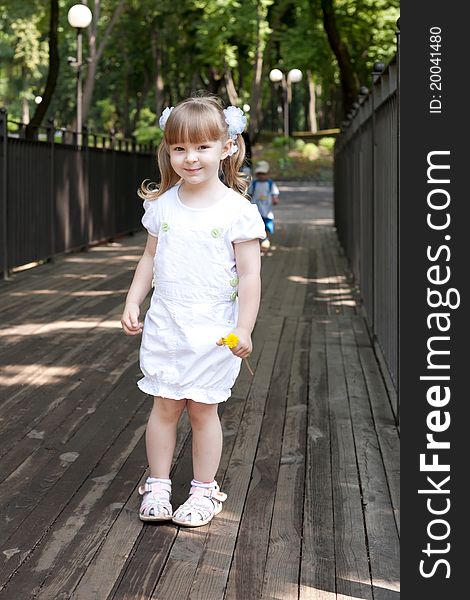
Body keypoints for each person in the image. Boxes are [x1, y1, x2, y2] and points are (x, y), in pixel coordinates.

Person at [120, 96, 266, 528]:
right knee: (165, 405)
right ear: (169, 151)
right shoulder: (162, 206)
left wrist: (244, 327)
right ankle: (159, 484)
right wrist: (133, 299)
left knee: (203, 409)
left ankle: (204, 490)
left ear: (227, 147)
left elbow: (250, 277)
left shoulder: (237, 212)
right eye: (179, 148)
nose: (190, 158)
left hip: (215, 330)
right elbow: (149, 258)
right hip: (167, 324)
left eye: (202, 147)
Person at [248, 160, 280, 250]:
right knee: (256, 224)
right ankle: (258, 240)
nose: (261, 176)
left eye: (264, 174)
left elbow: (274, 193)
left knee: (267, 224)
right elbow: (249, 194)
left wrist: (275, 199)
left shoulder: (270, 184)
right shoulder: (254, 184)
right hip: (256, 209)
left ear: (268, 174)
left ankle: (266, 239)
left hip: (267, 209)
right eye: (259, 174)